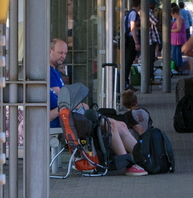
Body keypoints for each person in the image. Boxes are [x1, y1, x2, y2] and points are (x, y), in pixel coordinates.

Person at [52, 39, 146, 175]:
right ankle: (128, 164)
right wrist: (76, 104)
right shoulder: (49, 73)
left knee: (121, 125)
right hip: (64, 120)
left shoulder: (55, 72)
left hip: (70, 116)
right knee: (111, 124)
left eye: (65, 53)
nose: (63, 56)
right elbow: (63, 100)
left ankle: (143, 159)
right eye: (60, 52)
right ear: (50, 51)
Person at [123, 0, 141, 89]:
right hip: (131, 39)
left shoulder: (128, 13)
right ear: (139, 5)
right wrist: (136, 42)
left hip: (127, 38)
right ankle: (125, 83)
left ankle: (125, 82)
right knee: (128, 62)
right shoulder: (134, 14)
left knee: (127, 62)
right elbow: (133, 28)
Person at [170, 3, 186, 74]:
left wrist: (170, 30)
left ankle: (179, 67)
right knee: (175, 53)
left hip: (178, 39)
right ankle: (177, 67)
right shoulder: (177, 19)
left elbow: (178, 29)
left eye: (172, 14)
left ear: (175, 13)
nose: (172, 16)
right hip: (175, 39)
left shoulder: (179, 19)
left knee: (177, 54)